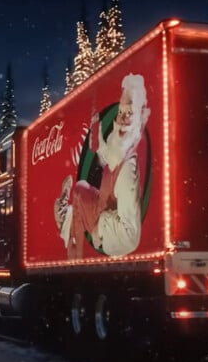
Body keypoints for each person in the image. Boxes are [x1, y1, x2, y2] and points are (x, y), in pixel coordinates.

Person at [55, 73, 149, 259]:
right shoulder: (119, 149)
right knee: (80, 189)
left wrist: (100, 228)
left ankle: (66, 224)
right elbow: (104, 152)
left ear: (138, 117)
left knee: (78, 198)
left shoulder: (127, 170)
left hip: (110, 229)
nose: (121, 119)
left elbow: (130, 234)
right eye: (120, 113)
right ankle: (66, 221)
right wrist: (97, 132)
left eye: (128, 113)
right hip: (103, 206)